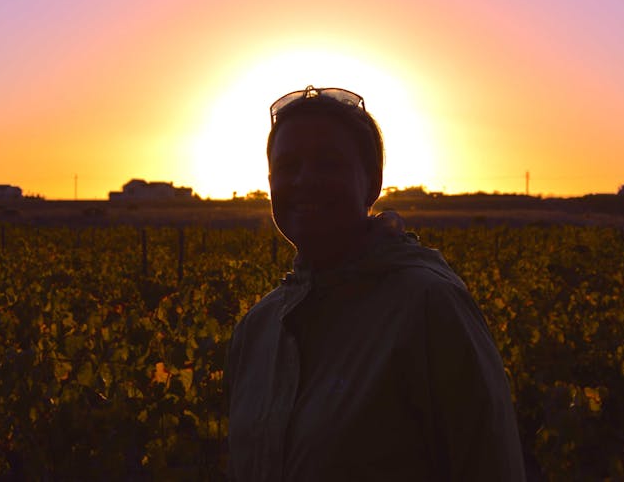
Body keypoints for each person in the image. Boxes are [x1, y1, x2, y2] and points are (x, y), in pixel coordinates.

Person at [225, 85, 525, 481]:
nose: (305, 180)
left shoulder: (429, 306)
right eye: (288, 167)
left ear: (372, 183)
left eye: (328, 163)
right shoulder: (258, 328)